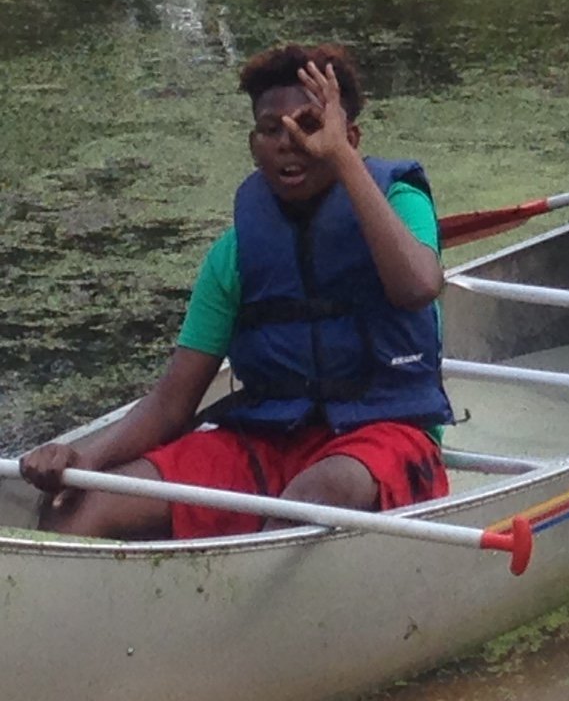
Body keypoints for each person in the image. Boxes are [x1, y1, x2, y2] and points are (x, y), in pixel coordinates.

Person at [20, 44, 453, 539]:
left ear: (349, 136)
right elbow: (172, 403)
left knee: (311, 501)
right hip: (269, 438)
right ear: (253, 145)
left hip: (383, 433)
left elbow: (418, 286)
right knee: (76, 510)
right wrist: (83, 462)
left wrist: (341, 160)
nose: (289, 142)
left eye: (309, 125)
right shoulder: (235, 253)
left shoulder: (401, 202)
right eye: (271, 130)